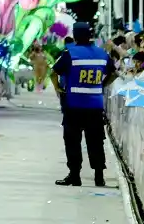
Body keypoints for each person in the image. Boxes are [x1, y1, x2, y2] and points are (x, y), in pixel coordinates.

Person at [52, 21, 116, 187]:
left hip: (73, 106)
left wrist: (59, 88)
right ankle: (99, 176)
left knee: (72, 140)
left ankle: (75, 176)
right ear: (90, 35)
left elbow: (54, 71)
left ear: (75, 35)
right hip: (94, 107)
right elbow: (114, 73)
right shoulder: (101, 54)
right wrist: (101, 85)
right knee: (95, 140)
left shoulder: (70, 53)